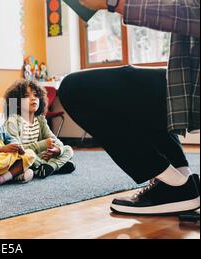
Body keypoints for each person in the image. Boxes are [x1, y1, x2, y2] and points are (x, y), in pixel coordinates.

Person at [59, 0, 200, 215]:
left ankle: (175, 184)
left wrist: (113, 2)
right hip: (186, 81)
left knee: (75, 89)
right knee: (136, 95)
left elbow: (193, 13)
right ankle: (179, 183)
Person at [5, 80, 75, 178]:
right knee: (26, 155)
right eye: (26, 96)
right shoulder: (13, 120)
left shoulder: (40, 119)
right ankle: (54, 166)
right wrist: (43, 144)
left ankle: (49, 167)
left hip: (40, 156)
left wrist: (57, 150)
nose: (33, 98)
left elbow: (54, 139)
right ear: (16, 102)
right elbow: (16, 149)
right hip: (25, 156)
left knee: (68, 149)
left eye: (36, 95)